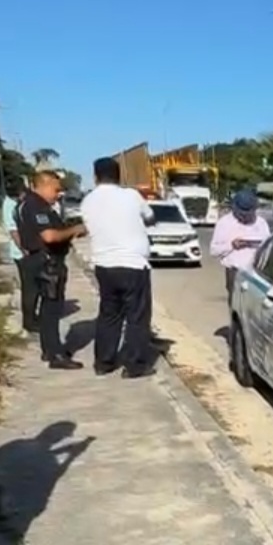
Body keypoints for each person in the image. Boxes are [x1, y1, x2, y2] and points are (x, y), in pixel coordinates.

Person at [82, 156, 157, 379]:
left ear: (95, 177)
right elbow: (150, 217)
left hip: (104, 266)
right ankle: (134, 365)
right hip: (133, 264)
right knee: (137, 317)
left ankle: (103, 363)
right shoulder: (131, 196)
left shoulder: (88, 201)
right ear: (119, 176)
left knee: (109, 314)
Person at [16, 171, 88, 370]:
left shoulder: (25, 204)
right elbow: (49, 236)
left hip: (37, 259)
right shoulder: (36, 205)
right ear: (42, 185)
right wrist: (74, 230)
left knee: (48, 309)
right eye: (56, 189)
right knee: (52, 309)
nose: (58, 193)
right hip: (47, 262)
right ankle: (55, 354)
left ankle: (49, 350)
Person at [210, 189, 271, 301]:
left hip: (257, 274)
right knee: (236, 309)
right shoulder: (224, 223)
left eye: (249, 213)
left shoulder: (261, 224)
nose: (245, 217)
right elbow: (214, 251)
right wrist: (232, 245)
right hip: (235, 272)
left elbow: (269, 247)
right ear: (234, 209)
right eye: (242, 213)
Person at [2, 176, 37, 332]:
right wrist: (24, 249)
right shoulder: (10, 206)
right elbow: (13, 231)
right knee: (30, 288)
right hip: (22, 253)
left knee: (33, 287)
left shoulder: (15, 203)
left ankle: (32, 316)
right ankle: (29, 322)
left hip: (23, 251)